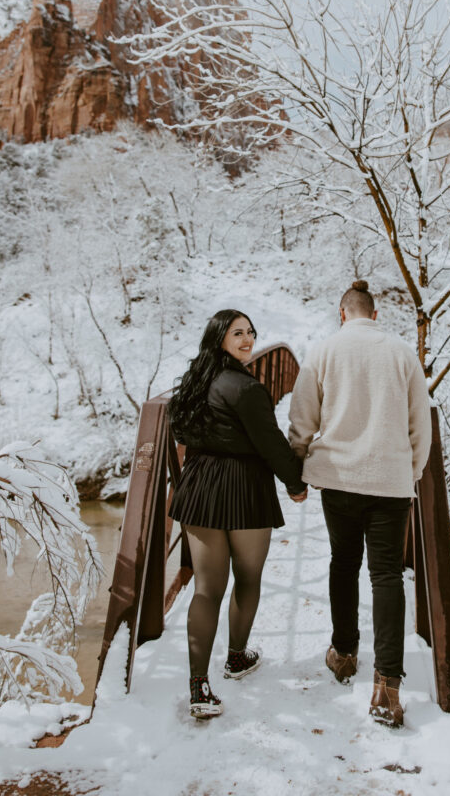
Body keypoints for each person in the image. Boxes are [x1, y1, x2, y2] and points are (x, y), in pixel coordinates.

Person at [288, 280, 431, 728]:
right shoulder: (402, 351)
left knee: (344, 563)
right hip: (389, 481)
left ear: (342, 311)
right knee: (386, 575)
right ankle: (387, 683)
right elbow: (419, 422)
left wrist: (298, 463)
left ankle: (344, 653)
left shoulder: (324, 350)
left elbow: (302, 416)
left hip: (340, 479)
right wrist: (413, 471)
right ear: (375, 314)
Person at [168, 309, 307, 720]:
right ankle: (235, 658)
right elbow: (270, 441)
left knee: (206, 589)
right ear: (219, 338)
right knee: (247, 577)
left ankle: (198, 685)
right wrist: (295, 483)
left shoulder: (194, 382)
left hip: (201, 487)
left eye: (251, 333)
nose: (247, 340)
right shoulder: (246, 388)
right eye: (237, 333)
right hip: (244, 488)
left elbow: (181, 431)